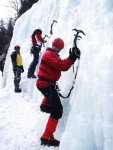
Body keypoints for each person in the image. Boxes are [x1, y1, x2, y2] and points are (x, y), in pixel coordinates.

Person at [36, 38, 81, 147]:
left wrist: (70, 57)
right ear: (53, 45)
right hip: (46, 84)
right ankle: (47, 137)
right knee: (57, 110)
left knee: (51, 96)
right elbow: (61, 66)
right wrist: (72, 57)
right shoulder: (49, 55)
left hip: (46, 84)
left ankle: (45, 104)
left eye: (60, 48)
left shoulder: (51, 54)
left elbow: (60, 63)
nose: (59, 50)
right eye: (57, 47)